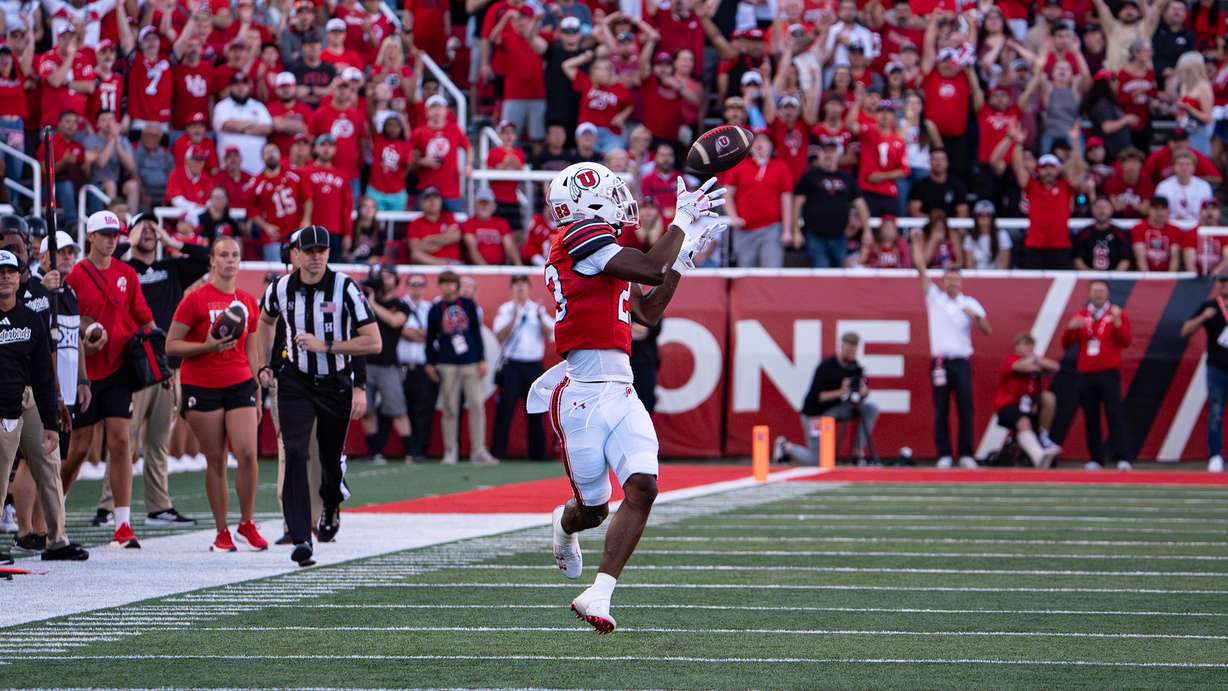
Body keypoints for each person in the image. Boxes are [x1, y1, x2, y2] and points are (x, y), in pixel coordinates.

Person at [537, 161, 725, 634]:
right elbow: (648, 266)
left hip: (620, 388)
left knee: (644, 486)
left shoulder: (603, 251)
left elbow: (647, 312)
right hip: (580, 394)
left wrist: (682, 260)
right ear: (588, 201)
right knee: (594, 510)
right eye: (613, 190)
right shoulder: (577, 236)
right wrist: (681, 222)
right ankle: (564, 523)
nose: (625, 198)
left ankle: (598, 593)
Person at [256, 225, 380, 566]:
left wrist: (326, 346)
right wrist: (265, 364)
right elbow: (264, 321)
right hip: (295, 380)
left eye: (321, 251)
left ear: (328, 252)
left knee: (329, 461)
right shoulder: (281, 287)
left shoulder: (345, 288)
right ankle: (301, 537)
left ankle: (331, 504)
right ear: (296, 254)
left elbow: (373, 341)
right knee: (294, 452)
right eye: (308, 251)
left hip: (335, 381)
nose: (315, 258)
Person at [95, 211, 207, 528]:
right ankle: (108, 507)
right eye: (142, 225)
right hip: (131, 365)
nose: (148, 231)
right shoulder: (122, 269)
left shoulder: (170, 268)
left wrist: (172, 241)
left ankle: (159, 506)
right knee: (123, 440)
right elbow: (97, 269)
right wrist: (126, 244)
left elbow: (204, 259)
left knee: (159, 442)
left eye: (153, 226)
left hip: (167, 366)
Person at [164, 236, 268, 552]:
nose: (230, 260)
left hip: (239, 383)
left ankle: (246, 523)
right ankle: (221, 531)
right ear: (212, 261)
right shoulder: (194, 299)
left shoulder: (249, 301)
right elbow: (171, 345)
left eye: (235, 255)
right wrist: (207, 347)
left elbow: (253, 351)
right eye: (223, 254)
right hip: (202, 385)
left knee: (248, 453)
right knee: (217, 459)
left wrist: (259, 390)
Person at [62, 210, 157, 549]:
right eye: (104, 233)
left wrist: (158, 359)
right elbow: (65, 321)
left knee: (121, 441)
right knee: (79, 448)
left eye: (115, 233)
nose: (111, 238)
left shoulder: (126, 274)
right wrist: (88, 330)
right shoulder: (75, 276)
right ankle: (53, 509)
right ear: (91, 237)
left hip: (118, 368)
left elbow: (143, 317)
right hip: (85, 372)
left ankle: (122, 523)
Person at [0, 220, 88, 561]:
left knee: (49, 464)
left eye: (12, 270)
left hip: (30, 397)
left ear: (21, 272)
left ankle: (56, 538)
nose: (6, 276)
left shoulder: (31, 314)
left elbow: (42, 370)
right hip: (2, 405)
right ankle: (22, 532)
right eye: (1, 270)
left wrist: (51, 417)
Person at [913, 236, 991, 468]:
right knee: (941, 409)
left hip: (962, 362)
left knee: (966, 408)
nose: (952, 284)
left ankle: (966, 453)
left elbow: (987, 330)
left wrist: (974, 317)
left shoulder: (970, 303)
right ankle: (944, 453)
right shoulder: (935, 299)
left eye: (956, 280)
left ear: (962, 282)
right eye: (949, 279)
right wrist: (917, 242)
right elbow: (920, 269)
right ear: (944, 281)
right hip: (940, 362)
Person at [774, 331, 880, 465]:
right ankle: (785, 447)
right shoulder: (826, 367)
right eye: (848, 351)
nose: (851, 355)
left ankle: (857, 452)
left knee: (870, 408)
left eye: (853, 351)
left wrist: (864, 392)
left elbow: (859, 394)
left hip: (836, 409)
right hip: (815, 414)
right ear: (841, 348)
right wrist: (841, 391)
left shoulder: (855, 367)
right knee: (819, 461)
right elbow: (818, 397)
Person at [424, 271, 496, 466]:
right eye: (444, 283)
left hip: (470, 362)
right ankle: (450, 450)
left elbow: (476, 333)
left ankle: (478, 450)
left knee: (476, 405)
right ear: (440, 286)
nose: (448, 287)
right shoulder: (436, 309)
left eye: (451, 283)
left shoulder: (468, 304)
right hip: (447, 363)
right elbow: (430, 339)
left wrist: (481, 359)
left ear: (456, 285)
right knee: (449, 408)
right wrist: (430, 362)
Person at [1060, 280, 1133, 471]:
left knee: (1115, 415)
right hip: (1086, 373)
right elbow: (1066, 344)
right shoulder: (1082, 315)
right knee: (1091, 417)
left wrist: (1117, 323)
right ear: (1089, 294)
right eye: (1095, 290)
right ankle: (1096, 458)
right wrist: (1070, 328)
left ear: (1108, 293)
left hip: (1109, 373)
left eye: (1102, 290)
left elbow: (1125, 341)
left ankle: (1122, 457)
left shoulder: (1117, 313)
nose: (1098, 294)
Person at [1010, 124, 1087, 269]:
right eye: (1044, 167)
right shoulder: (1032, 186)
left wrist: (1075, 142)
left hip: (1060, 245)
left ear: (1058, 170)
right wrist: (1018, 143)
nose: (1048, 171)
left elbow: (1078, 170)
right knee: (1032, 288)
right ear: (1039, 170)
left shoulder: (1065, 187)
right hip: (1034, 245)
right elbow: (1019, 169)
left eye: (1052, 167)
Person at [491, 276, 551, 460]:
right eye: (516, 286)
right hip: (512, 365)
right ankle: (498, 453)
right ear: (511, 289)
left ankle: (538, 454)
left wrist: (540, 317)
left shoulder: (537, 309)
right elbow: (499, 336)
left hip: (533, 366)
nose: (520, 290)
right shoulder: (505, 310)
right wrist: (514, 318)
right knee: (505, 409)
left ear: (529, 289)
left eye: (523, 286)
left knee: (535, 410)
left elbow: (550, 334)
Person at [359, 264, 414, 464]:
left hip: (388, 364)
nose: (384, 280)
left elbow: (394, 321)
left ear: (396, 281)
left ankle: (410, 452)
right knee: (366, 411)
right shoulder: (362, 302)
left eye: (389, 277)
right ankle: (374, 452)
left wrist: (372, 304)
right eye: (381, 277)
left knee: (398, 409)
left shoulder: (401, 304)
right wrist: (365, 300)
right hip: (365, 362)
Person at [1179, 272, 1228, 472]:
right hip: (1217, 368)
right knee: (1216, 413)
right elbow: (1184, 330)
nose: (1225, 286)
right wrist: (1202, 318)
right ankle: (1215, 455)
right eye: (1223, 283)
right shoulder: (1210, 306)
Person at [792, 142, 868, 268]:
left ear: (838, 156)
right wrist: (796, 230)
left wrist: (867, 230)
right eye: (825, 152)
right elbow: (797, 203)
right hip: (815, 236)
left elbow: (860, 204)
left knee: (840, 277)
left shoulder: (847, 178)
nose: (829, 155)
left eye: (832, 152)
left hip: (840, 236)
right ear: (819, 155)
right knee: (821, 274)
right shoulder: (809, 176)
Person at [723, 132, 794, 268]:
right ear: (749, 147)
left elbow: (786, 199)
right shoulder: (739, 166)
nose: (760, 144)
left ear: (772, 146)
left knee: (771, 273)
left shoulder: (781, 167)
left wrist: (787, 231)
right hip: (744, 230)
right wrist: (733, 217)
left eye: (764, 141)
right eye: (756, 141)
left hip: (771, 229)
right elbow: (727, 193)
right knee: (745, 275)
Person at [993, 333, 1062, 468]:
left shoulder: (1034, 360)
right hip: (1009, 407)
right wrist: (1034, 361)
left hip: (1030, 407)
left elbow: (1055, 366)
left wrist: (1035, 360)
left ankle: (1044, 435)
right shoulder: (1011, 359)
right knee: (1023, 421)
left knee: (1048, 397)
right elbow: (1019, 366)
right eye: (1025, 345)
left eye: (1031, 346)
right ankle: (1039, 456)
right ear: (1017, 347)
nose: (1029, 348)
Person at [397, 274, 436, 463]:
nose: (416, 288)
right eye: (413, 284)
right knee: (399, 409)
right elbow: (400, 329)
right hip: (401, 365)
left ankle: (419, 449)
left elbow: (432, 334)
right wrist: (419, 334)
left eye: (420, 285)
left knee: (422, 410)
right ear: (407, 286)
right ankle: (407, 449)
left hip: (422, 366)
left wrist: (413, 333)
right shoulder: (400, 305)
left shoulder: (429, 308)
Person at [212, 72, 273, 176]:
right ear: (230, 87)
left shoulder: (258, 106)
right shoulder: (222, 106)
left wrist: (240, 128)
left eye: (244, 84)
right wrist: (253, 125)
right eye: (236, 84)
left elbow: (267, 129)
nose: (240, 88)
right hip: (230, 172)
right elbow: (228, 125)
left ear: (249, 86)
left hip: (257, 169)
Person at [1131, 196, 1189, 272]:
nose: (1159, 212)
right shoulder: (1138, 228)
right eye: (1155, 208)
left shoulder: (1175, 230)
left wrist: (1169, 280)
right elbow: (1140, 257)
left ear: (1168, 211)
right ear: (1149, 210)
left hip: (1168, 278)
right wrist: (1147, 281)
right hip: (1144, 277)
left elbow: (1174, 258)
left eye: (1163, 209)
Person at [1074, 197, 1133, 271]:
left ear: (1112, 209)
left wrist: (1114, 276)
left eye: (1106, 207)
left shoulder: (1121, 234)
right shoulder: (1083, 234)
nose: (1102, 210)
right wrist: (1090, 275)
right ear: (1092, 210)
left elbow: (1125, 259)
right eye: (1098, 207)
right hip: (1088, 277)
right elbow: (1078, 259)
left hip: (1115, 277)